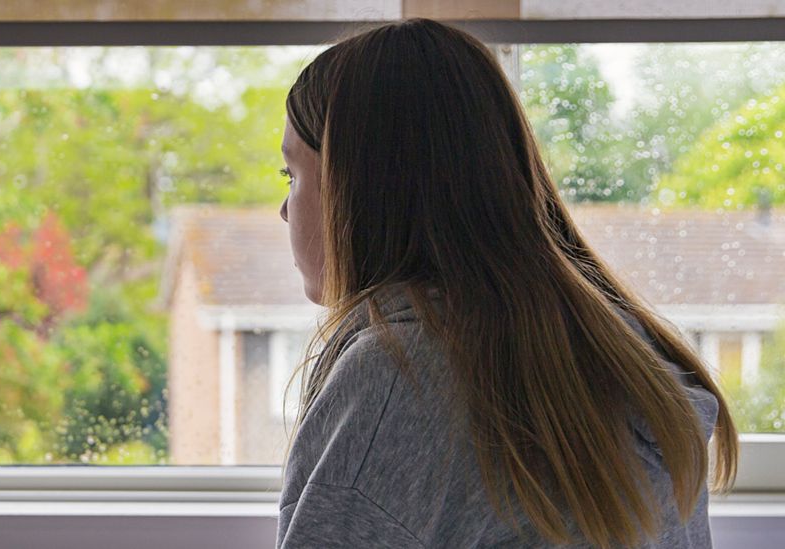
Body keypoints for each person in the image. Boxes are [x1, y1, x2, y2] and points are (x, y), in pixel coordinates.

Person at [274, 17, 737, 548]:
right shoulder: (625, 355)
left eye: (294, 174)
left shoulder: (398, 374)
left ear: (359, 188)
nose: (286, 209)